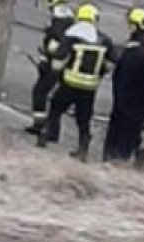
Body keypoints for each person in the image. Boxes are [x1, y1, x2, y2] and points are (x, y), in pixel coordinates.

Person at [37, 3, 116, 162]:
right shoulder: (103, 39)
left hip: (70, 82)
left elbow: (59, 57)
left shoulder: (71, 35)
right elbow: (111, 62)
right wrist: (99, 74)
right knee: (84, 118)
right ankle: (83, 148)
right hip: (89, 86)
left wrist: (52, 63)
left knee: (55, 107)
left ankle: (46, 135)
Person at [103, 29, 144, 165]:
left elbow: (116, 78)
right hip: (136, 112)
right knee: (123, 151)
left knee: (111, 148)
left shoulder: (128, 54)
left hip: (119, 108)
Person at [26, 0, 75, 135]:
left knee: (40, 92)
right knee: (53, 97)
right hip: (60, 64)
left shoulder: (59, 19)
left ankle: (40, 125)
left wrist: (45, 57)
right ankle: (50, 128)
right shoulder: (67, 16)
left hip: (54, 65)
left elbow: (54, 43)